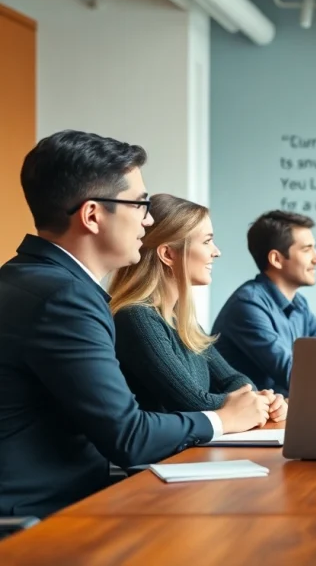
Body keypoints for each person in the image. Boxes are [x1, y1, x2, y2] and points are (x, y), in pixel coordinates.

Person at [0, 130, 269, 518]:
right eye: (140, 205)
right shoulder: (65, 299)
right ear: (92, 215)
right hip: (47, 516)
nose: (148, 219)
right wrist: (223, 418)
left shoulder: (27, 278)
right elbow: (129, 436)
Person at [108, 194, 287, 421]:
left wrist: (260, 400)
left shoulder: (180, 321)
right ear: (168, 254)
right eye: (206, 241)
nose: (216, 251)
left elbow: (233, 379)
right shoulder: (136, 317)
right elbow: (193, 403)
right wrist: (252, 402)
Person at [212, 210, 316, 396]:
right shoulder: (247, 305)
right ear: (276, 259)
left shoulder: (299, 304)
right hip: (251, 413)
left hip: (280, 409)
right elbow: (294, 376)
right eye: (307, 249)